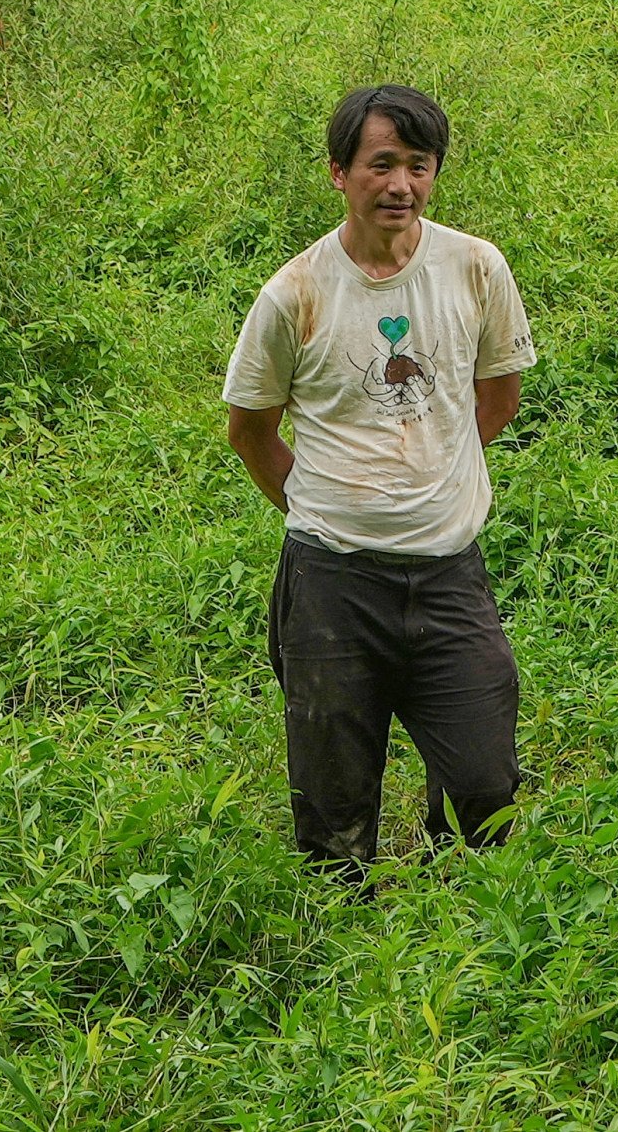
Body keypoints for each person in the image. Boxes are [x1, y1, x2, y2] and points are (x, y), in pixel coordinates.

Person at [219, 84, 536, 869]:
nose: (400, 184)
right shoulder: (294, 293)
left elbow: (498, 393)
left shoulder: (474, 267)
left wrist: (437, 462)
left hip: (449, 573)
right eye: (381, 164)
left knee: (483, 783)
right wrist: (324, 504)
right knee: (332, 805)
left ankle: (454, 920)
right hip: (332, 578)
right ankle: (340, 939)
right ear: (338, 173)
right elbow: (250, 430)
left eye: (418, 166)